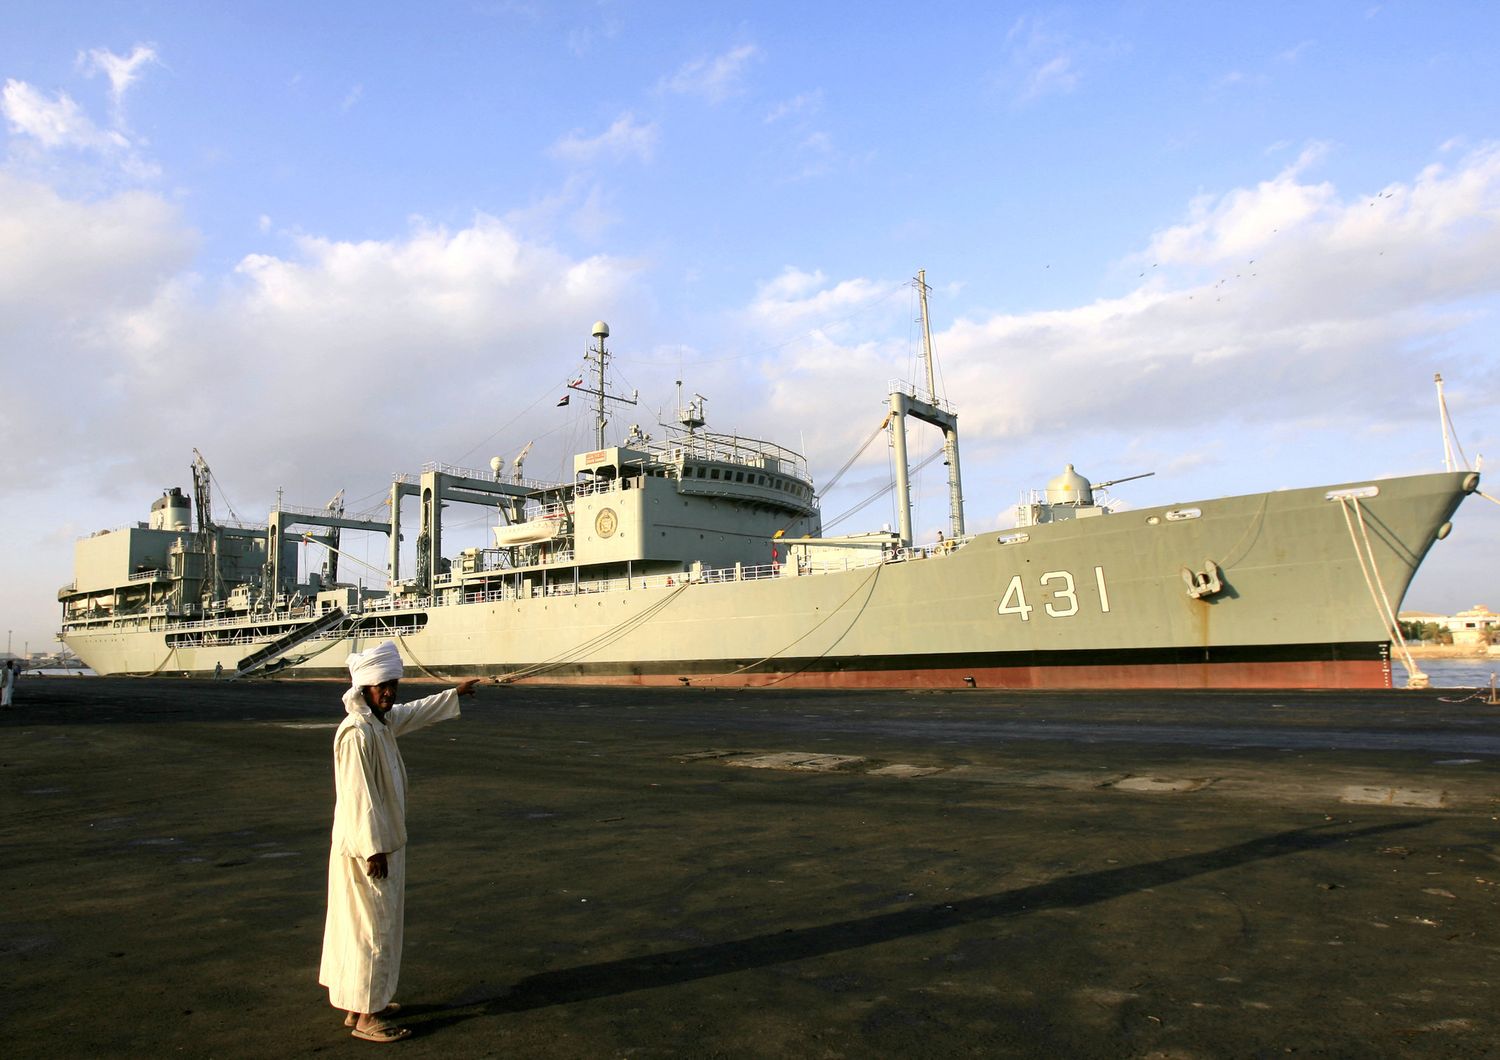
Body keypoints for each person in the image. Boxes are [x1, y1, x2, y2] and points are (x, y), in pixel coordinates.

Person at [318, 641, 483, 1043]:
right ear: (365, 688)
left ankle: (361, 1002)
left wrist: (453, 694)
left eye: (393, 684)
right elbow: (359, 796)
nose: (390, 693)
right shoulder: (357, 733)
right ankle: (367, 1019)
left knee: (370, 927)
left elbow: (415, 713)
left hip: (379, 843)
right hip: (368, 849)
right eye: (382, 686)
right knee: (373, 928)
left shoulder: (380, 722)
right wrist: (373, 849)